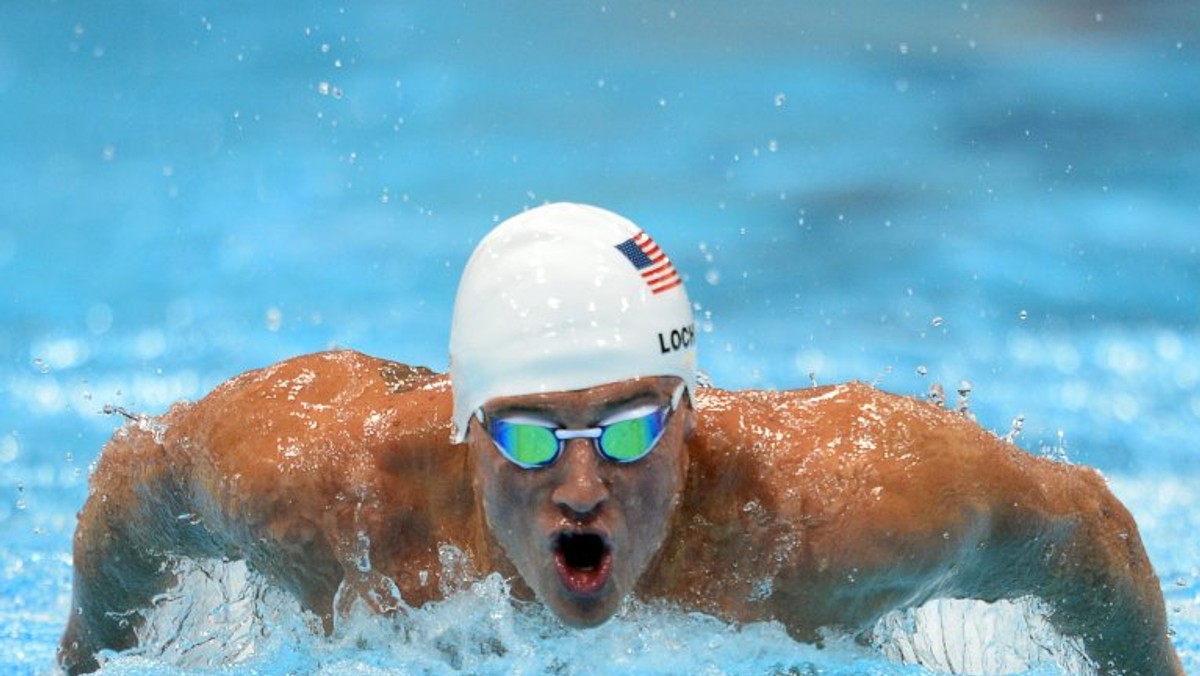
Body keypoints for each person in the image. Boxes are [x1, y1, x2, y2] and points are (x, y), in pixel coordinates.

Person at [59, 203, 1182, 675]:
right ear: (463, 429)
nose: (586, 484)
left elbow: (1087, 530)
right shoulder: (325, 490)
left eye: (636, 426)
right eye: (534, 441)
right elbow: (133, 486)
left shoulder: (834, 513)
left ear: (692, 420)